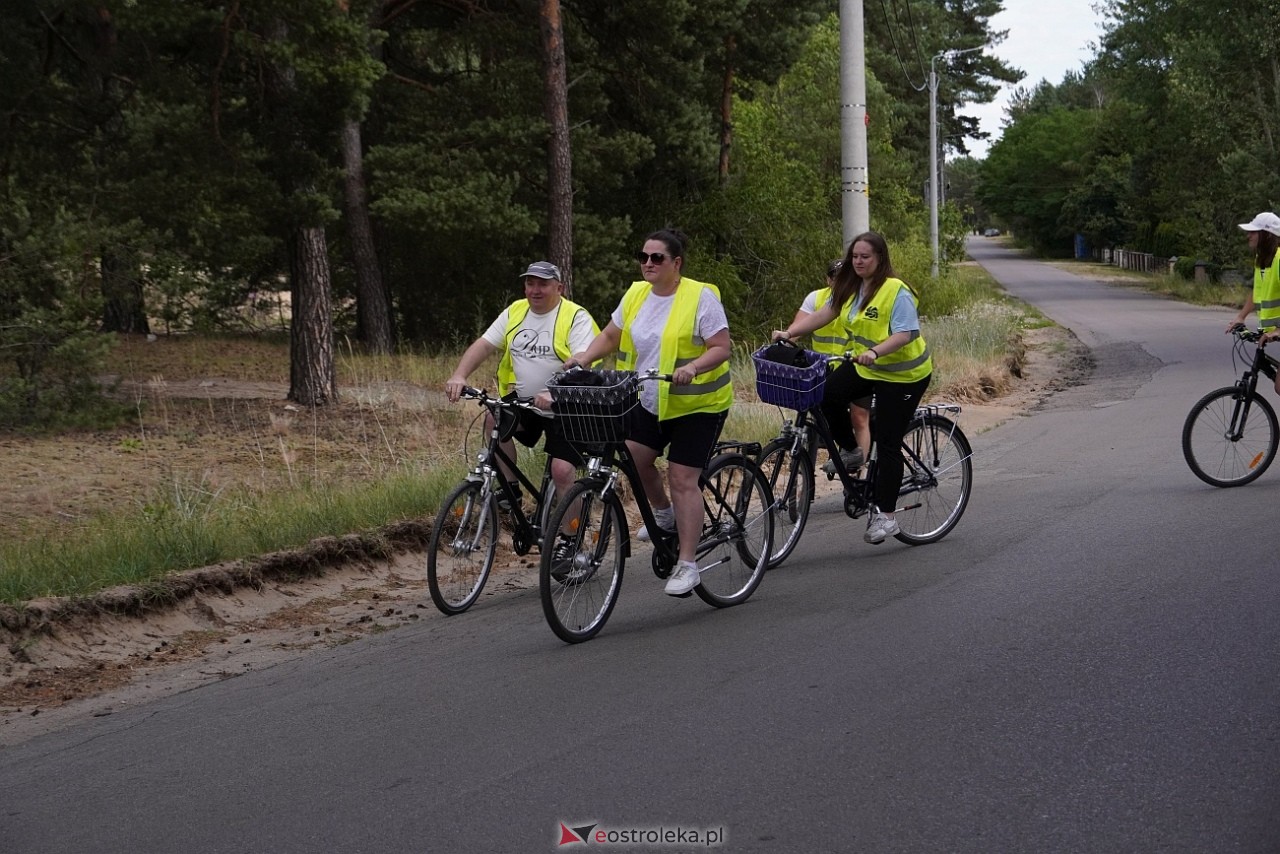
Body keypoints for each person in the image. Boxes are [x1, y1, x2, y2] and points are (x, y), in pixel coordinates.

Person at [562, 229, 732, 596]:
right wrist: (584, 357)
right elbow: (611, 335)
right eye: (643, 257)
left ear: (676, 263)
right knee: (635, 461)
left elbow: (721, 347)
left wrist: (693, 367)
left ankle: (687, 564)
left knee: (682, 477)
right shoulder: (637, 293)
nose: (648, 263)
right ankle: (665, 516)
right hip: (650, 400)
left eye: (657, 258)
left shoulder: (700, 297)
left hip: (697, 404)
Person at [773, 231, 932, 545]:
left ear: (879, 258)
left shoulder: (895, 290)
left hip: (903, 375)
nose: (858, 262)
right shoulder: (850, 286)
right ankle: (851, 451)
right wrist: (790, 333)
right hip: (867, 367)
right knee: (826, 393)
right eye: (854, 257)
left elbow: (905, 334)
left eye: (865, 257)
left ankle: (886, 516)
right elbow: (825, 313)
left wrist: (875, 351)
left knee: (887, 442)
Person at [444, 261, 598, 506]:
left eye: (543, 284)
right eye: (530, 283)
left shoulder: (575, 316)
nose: (535, 290)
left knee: (561, 472)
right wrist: (459, 375)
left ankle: (572, 529)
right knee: (494, 418)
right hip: (529, 401)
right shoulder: (516, 311)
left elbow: (582, 360)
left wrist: (556, 391)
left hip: (568, 406)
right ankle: (510, 489)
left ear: (559, 288)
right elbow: (485, 344)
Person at [790, 259, 870, 473]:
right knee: (814, 416)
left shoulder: (859, 299)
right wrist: (786, 340)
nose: (840, 281)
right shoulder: (816, 298)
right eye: (836, 277)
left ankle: (858, 473)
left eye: (845, 277)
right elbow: (799, 326)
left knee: (859, 416)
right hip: (821, 369)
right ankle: (807, 475)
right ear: (828, 280)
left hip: (854, 365)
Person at [1233, 212, 1280, 394]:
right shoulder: (1262, 260)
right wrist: (1241, 317)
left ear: (1267, 234)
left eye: (1253, 232)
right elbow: (1257, 292)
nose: (1248, 235)